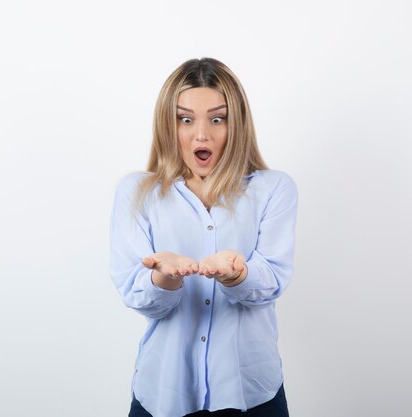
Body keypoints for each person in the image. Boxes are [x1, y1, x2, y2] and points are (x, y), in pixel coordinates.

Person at [109, 57, 298, 417]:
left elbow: (272, 279)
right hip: (164, 392)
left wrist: (237, 274)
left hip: (251, 393)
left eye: (217, 118)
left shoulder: (274, 189)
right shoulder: (136, 192)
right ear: (168, 124)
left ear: (236, 123)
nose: (201, 135)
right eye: (185, 119)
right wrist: (165, 277)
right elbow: (137, 294)